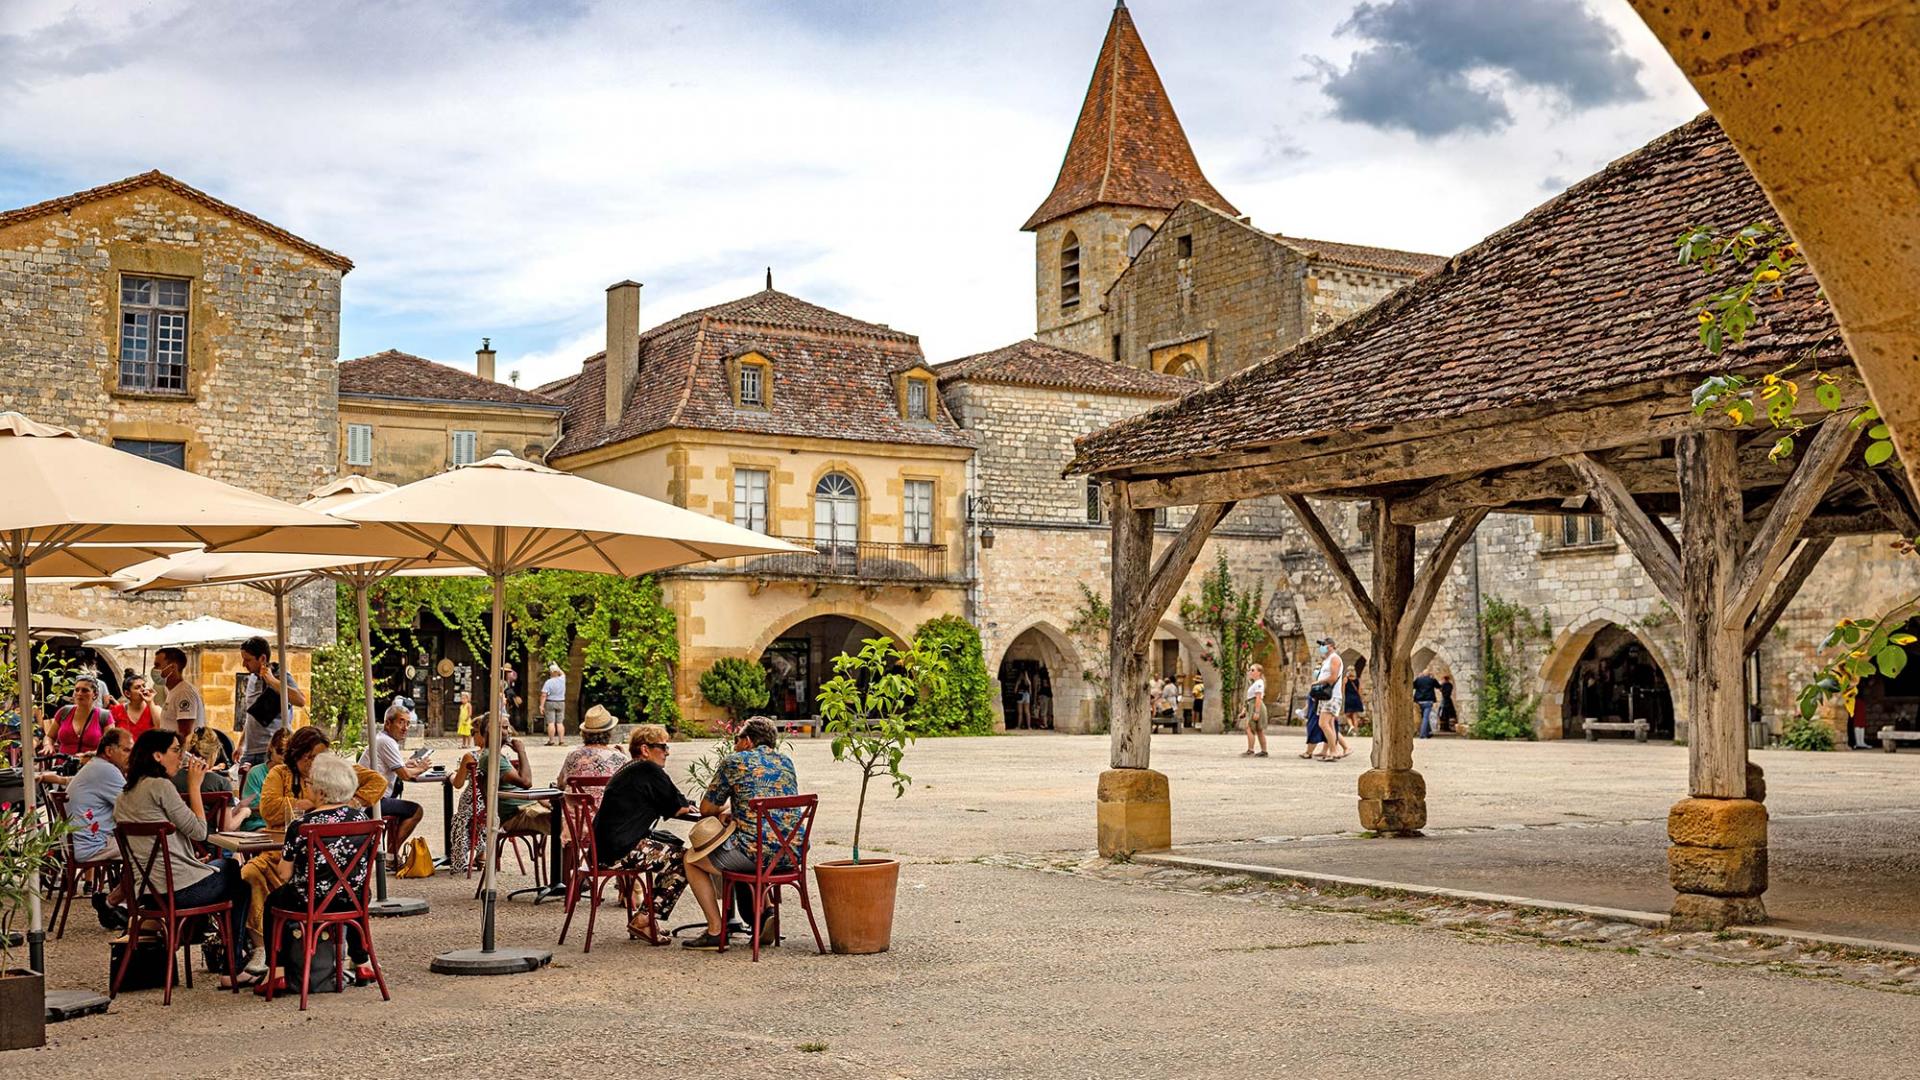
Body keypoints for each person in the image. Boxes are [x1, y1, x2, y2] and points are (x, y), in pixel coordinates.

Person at [114, 728, 254, 979]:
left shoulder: (125, 794)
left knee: (223, 869)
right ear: (157, 756)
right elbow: (200, 831)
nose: (181, 757)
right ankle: (233, 967)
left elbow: (158, 844)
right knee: (236, 874)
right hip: (178, 892)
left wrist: (189, 859)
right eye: (176, 751)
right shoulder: (160, 787)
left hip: (147, 894)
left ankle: (231, 963)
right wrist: (194, 785)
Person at [681, 716, 802, 951]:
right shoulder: (786, 762)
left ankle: (716, 930)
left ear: (747, 741)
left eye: (737, 739)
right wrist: (736, 810)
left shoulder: (735, 762)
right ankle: (765, 912)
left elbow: (706, 809)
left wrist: (725, 810)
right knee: (754, 844)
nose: (734, 744)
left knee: (691, 860)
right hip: (792, 853)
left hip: (755, 855)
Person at [264, 753, 375, 987]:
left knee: (274, 901)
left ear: (322, 791)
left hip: (310, 900)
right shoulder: (362, 819)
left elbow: (284, 875)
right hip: (351, 898)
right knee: (356, 892)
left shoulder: (301, 825)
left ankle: (277, 972)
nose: (308, 788)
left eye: (310, 784)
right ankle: (362, 962)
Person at [592, 722, 700, 931]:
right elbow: (678, 806)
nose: (667, 753)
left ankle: (647, 916)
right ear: (645, 749)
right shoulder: (648, 768)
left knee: (670, 845)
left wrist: (684, 805)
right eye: (663, 747)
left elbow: (674, 801)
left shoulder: (629, 768)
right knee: (685, 860)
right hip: (620, 851)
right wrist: (689, 806)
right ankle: (645, 919)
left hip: (602, 849)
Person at [49, 725, 134, 928]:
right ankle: (116, 903)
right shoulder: (106, 770)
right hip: (90, 845)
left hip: (79, 843)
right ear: (109, 751)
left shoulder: (96, 767)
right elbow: (135, 807)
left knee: (142, 847)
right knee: (150, 850)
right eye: (126, 750)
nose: (131, 756)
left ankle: (120, 904)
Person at [359, 698, 429, 862]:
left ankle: (391, 854)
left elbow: (396, 768)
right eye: (401, 723)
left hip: (370, 798)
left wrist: (405, 764)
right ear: (388, 724)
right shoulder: (386, 742)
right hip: (372, 801)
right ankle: (391, 855)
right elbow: (405, 775)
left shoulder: (383, 739)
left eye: (408, 723)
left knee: (402, 808)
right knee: (416, 810)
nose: (405, 728)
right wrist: (422, 767)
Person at [237, 635, 305, 771]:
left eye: (248, 660)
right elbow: (252, 715)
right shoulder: (251, 679)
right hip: (250, 750)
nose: (244, 664)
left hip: (270, 751)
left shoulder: (281, 675)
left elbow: (300, 700)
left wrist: (272, 681)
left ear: (262, 658)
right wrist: (241, 744)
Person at [235, 728, 290, 832]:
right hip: (258, 824)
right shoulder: (256, 773)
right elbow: (249, 805)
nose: (283, 757)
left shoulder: (293, 774)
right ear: (271, 748)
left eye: (288, 754)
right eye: (280, 751)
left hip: (284, 825)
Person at [47, 675, 113, 755]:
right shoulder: (64, 712)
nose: (79, 693)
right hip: (63, 765)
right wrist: (48, 745)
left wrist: (89, 755)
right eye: (77, 690)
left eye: (85, 690)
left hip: (92, 765)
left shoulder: (104, 716)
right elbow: (50, 736)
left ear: (95, 694)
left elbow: (110, 747)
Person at [1303, 637, 1344, 761]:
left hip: (1332, 695)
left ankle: (1334, 751)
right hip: (1325, 696)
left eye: (1324, 645)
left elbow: (1332, 677)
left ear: (1331, 646)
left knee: (1323, 723)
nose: (1322, 647)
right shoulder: (1328, 660)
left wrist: (1317, 682)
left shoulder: (1335, 658)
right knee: (1328, 724)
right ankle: (1332, 751)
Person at [154, 646, 204, 742]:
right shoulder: (174, 691)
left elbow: (185, 734)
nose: (155, 669)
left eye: (157, 665)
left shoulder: (184, 693)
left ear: (172, 667)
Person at [111, 674, 157, 741]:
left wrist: (150, 702)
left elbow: (160, 728)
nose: (143, 689)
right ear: (127, 693)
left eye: (144, 686)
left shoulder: (154, 709)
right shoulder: (116, 710)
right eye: (137, 687)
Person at [1242, 663, 1268, 757]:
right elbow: (1250, 698)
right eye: (1250, 670)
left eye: (1253, 670)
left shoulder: (1259, 683)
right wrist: (1245, 710)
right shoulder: (1255, 683)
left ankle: (1251, 749)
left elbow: (1258, 698)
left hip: (1257, 706)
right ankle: (1263, 751)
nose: (1250, 672)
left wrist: (1256, 712)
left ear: (1259, 672)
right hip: (1252, 705)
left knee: (1250, 727)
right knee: (1257, 729)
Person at [540, 663, 567, 746]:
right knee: (560, 723)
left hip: (550, 702)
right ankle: (561, 740)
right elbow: (563, 673)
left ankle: (551, 741)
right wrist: (557, 665)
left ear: (550, 672)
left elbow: (544, 694)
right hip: (561, 702)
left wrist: (541, 706)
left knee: (551, 722)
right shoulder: (562, 679)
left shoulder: (548, 682)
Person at [1413, 665, 1441, 739]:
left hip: (1419, 701)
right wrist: (1433, 677)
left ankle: (1428, 732)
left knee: (1424, 717)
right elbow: (1438, 686)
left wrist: (1418, 678)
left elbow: (1413, 686)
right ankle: (1422, 734)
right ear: (1429, 674)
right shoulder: (1431, 680)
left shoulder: (1418, 680)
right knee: (1425, 717)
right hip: (1428, 701)